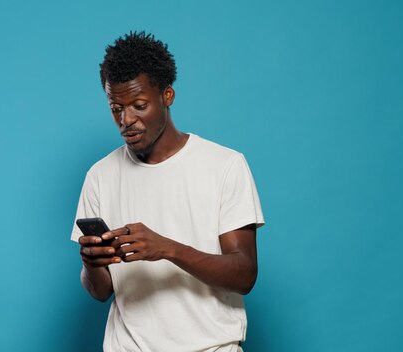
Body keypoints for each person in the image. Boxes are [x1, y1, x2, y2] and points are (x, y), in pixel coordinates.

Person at [71, 31, 265, 352]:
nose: (126, 119)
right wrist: (91, 264)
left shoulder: (225, 165)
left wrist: (167, 249)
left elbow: (245, 275)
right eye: (115, 107)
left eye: (139, 105)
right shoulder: (99, 176)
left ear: (167, 96)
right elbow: (101, 291)